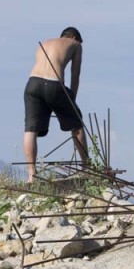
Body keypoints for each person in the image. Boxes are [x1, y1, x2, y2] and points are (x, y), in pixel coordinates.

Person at [23, 26, 88, 183]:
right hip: (53, 83)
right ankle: (87, 167)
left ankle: (32, 174)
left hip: (32, 83)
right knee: (77, 125)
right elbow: (75, 74)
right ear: (74, 38)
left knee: (30, 130)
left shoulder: (44, 43)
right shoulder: (75, 45)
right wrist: (72, 98)